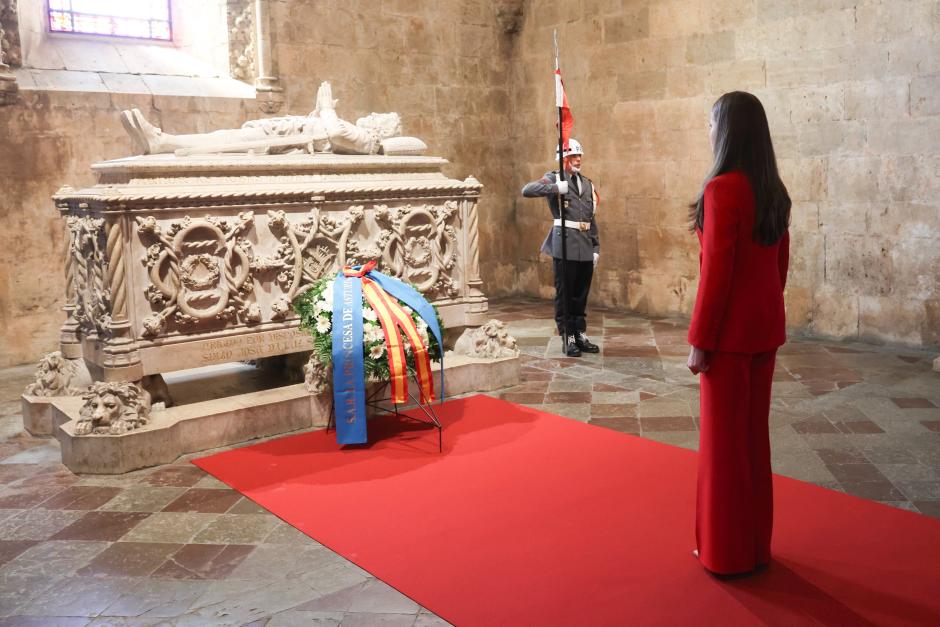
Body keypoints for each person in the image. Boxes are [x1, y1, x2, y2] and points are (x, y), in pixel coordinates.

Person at [686, 91, 791, 577]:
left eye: (711, 123)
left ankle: (725, 554)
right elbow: (779, 267)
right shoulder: (774, 190)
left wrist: (700, 340)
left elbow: (716, 275)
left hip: (726, 338)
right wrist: (764, 313)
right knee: (753, 443)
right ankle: (754, 547)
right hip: (763, 330)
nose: (708, 132)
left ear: (725, 130)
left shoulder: (722, 189)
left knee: (723, 449)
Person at [119, 81, 424, 156]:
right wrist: (318, 112)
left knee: (230, 142)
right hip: (286, 133)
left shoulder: (367, 140)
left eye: (378, 117)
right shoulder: (355, 129)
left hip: (286, 140)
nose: (370, 115)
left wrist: (327, 108)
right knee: (229, 138)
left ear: (381, 130)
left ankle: (163, 141)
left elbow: (335, 136)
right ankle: (162, 141)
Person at [521, 139, 600, 357]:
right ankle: (568, 337)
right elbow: (527, 190)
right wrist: (556, 187)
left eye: (579, 156)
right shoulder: (554, 178)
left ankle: (580, 333)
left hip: (584, 245)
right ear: (563, 159)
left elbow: (591, 217)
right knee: (565, 294)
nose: (578, 160)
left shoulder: (587, 183)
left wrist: (596, 247)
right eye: (574, 156)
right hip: (565, 243)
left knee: (581, 295)